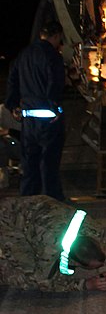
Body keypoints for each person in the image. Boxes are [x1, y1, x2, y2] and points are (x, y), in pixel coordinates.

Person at [0, 195, 106, 292]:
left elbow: (100, 248)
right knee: (30, 278)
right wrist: (85, 285)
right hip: (8, 219)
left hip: (37, 210)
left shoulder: (95, 230)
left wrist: (104, 269)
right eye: (94, 267)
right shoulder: (50, 248)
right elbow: (45, 282)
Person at [4, 20, 68, 202]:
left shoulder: (23, 55)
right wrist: (55, 107)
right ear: (56, 36)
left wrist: (12, 105)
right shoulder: (53, 56)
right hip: (48, 121)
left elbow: (12, 81)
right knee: (49, 165)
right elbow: (54, 83)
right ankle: (52, 201)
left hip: (28, 121)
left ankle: (28, 202)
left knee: (29, 165)